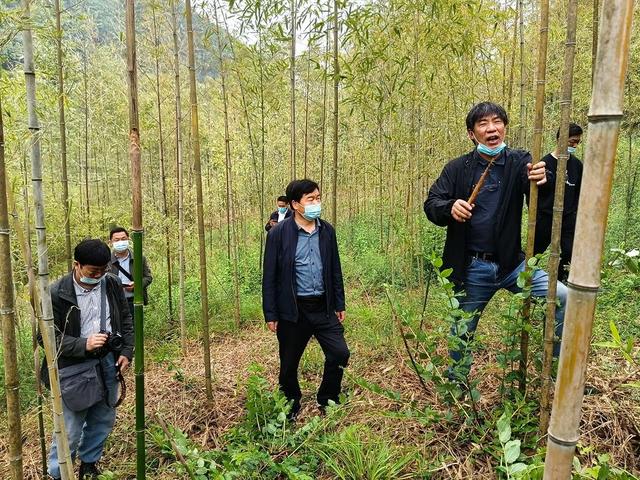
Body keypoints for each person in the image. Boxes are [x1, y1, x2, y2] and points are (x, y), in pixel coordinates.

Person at [424, 102, 568, 378]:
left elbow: (540, 196)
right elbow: (432, 203)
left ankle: (555, 373)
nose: (492, 129)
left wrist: (544, 178)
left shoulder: (519, 162)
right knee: (462, 330)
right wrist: (450, 207)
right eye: (483, 124)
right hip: (473, 267)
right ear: (471, 133)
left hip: (512, 264)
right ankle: (458, 384)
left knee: (563, 297)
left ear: (504, 127)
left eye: (497, 121)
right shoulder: (457, 168)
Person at [45, 239, 134, 480]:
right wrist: (82, 344)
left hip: (108, 360)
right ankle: (58, 473)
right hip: (74, 366)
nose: (98, 275)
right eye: (93, 271)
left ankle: (89, 464)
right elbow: (47, 338)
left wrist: (126, 351)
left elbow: (125, 319)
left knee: (103, 418)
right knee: (70, 426)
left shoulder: (111, 283)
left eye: (103, 270)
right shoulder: (56, 293)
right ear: (77, 264)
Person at [262, 179, 349, 419]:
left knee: (340, 353)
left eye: (318, 198)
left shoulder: (327, 231)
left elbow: (335, 268)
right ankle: (290, 405)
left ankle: (328, 398)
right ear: (295, 204)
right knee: (289, 364)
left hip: (323, 307)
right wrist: (270, 313)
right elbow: (270, 275)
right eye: (310, 199)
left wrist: (339, 302)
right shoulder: (278, 234)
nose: (316, 203)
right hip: (293, 310)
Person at [533, 123, 584, 282]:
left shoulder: (577, 165)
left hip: (567, 218)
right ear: (560, 139)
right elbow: (534, 194)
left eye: (577, 142)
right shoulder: (544, 163)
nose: (574, 146)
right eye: (571, 142)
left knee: (570, 252)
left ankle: (561, 281)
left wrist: (575, 214)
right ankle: (527, 282)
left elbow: (578, 192)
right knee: (534, 252)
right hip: (545, 217)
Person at [108, 226, 153, 315]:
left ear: (128, 239)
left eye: (123, 239)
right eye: (117, 240)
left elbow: (148, 277)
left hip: (133, 301)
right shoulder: (106, 260)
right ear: (111, 242)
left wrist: (137, 285)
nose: (120, 242)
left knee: (134, 323)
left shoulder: (139, 258)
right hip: (113, 302)